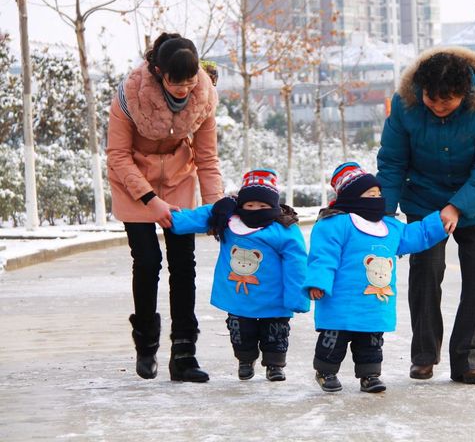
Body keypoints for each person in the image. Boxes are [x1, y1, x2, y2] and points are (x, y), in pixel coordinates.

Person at [376, 47, 475, 385]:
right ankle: (423, 356)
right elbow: (392, 162)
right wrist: (385, 214)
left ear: (464, 94)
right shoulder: (405, 105)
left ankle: (470, 360)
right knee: (425, 273)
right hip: (423, 200)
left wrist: (458, 206)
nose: (437, 108)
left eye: (446, 102)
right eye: (431, 101)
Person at [106, 32, 224, 382]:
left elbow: (207, 157)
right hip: (133, 183)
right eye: (176, 83)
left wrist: (216, 208)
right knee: (147, 261)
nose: (184, 89)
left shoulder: (203, 98)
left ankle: (184, 354)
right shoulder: (129, 96)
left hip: (177, 180)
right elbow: (118, 155)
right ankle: (146, 344)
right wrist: (149, 199)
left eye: (190, 82)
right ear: (158, 72)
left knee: (183, 265)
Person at [303, 162, 448, 393]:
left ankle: (369, 376)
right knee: (333, 341)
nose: (378, 197)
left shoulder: (389, 226)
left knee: (371, 342)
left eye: (379, 193)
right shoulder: (335, 224)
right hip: (340, 301)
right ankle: (326, 371)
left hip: (374, 302)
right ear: (352, 197)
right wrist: (318, 282)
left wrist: (439, 221)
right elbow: (323, 257)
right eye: (370, 194)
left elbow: (415, 234)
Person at [170, 169, 309, 382]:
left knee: (276, 333)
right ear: (240, 205)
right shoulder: (228, 219)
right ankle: (245, 360)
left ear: (273, 207)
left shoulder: (283, 229)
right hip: (238, 297)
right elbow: (202, 216)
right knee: (241, 333)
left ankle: (275, 365)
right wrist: (171, 218)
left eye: (263, 206)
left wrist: (297, 298)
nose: (255, 210)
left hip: (273, 297)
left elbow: (296, 264)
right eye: (249, 206)